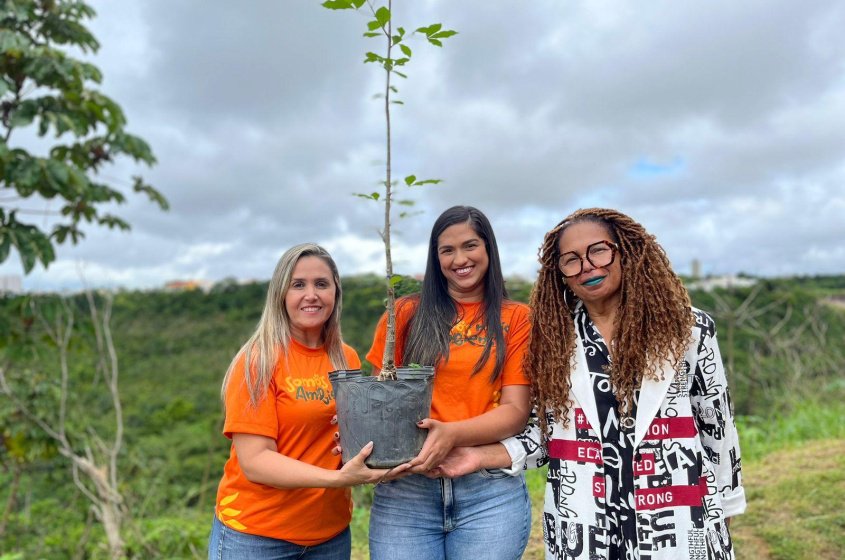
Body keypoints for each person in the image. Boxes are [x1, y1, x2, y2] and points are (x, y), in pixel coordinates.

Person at [435, 208, 746, 560]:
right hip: (584, 528)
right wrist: (476, 457)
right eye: (570, 260)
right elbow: (542, 436)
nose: (586, 266)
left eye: (599, 250)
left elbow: (717, 425)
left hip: (680, 519)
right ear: (561, 274)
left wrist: (726, 506)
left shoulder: (687, 330)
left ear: (625, 250)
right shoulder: (553, 340)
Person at [365, 205, 533, 560]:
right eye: (447, 250)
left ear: (488, 248)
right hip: (406, 488)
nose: (460, 259)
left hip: (488, 489)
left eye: (470, 245)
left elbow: (516, 412)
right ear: (435, 257)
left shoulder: (517, 319)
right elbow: (380, 396)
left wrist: (451, 435)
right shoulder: (405, 313)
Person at [208, 243, 394, 560]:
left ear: (336, 292)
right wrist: (337, 480)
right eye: (298, 285)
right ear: (281, 295)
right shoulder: (258, 360)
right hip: (257, 537)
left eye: (321, 284)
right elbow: (255, 462)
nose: (311, 295)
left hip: (329, 536)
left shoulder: (345, 358)